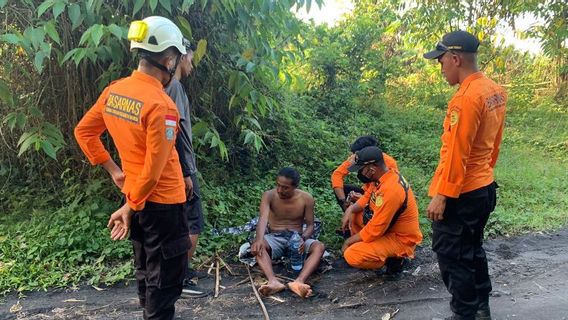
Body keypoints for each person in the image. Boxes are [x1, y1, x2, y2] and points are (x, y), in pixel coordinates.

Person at [74, 16, 190, 319]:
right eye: (177, 58)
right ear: (168, 59)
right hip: (162, 203)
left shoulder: (115, 91)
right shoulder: (162, 106)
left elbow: (84, 132)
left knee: (146, 272)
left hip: (136, 198)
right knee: (164, 281)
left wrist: (115, 172)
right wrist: (130, 206)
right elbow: (154, 169)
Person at [423, 30, 506, 320]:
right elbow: (494, 143)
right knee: (472, 248)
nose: (441, 67)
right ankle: (481, 307)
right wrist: (486, 173)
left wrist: (443, 195)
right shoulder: (493, 90)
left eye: (441, 61)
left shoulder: (466, 98)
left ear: (455, 58)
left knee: (452, 255)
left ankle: (465, 313)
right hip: (483, 186)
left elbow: (458, 152)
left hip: (462, 193)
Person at [164, 43, 208, 297]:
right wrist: (186, 172)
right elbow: (176, 131)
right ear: (179, 59)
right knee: (193, 222)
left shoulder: (160, 86)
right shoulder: (175, 87)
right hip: (180, 167)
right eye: (190, 60)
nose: (191, 65)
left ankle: (173, 272)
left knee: (177, 222)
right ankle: (179, 276)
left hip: (167, 165)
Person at [340, 146, 422, 274]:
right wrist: (350, 209)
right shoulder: (383, 177)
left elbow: (375, 230)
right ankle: (373, 250)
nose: (359, 174)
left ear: (371, 169)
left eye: (361, 170)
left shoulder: (391, 190)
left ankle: (393, 260)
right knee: (355, 215)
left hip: (401, 239)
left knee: (352, 254)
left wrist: (348, 242)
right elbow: (367, 196)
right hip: (386, 229)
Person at [250, 167, 325, 298]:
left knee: (319, 247)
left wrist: (303, 237)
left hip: (296, 238)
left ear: (295, 187)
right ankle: (273, 282)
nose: (280, 190)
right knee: (259, 246)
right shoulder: (269, 196)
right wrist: (259, 239)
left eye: (285, 188)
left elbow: (311, 225)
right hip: (275, 237)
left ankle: (299, 282)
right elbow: (262, 219)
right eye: (278, 185)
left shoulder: (306, 198)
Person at [331, 135, 398, 213]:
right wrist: (343, 201)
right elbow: (337, 174)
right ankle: (349, 215)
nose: (354, 156)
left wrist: (362, 199)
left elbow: (377, 187)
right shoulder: (357, 158)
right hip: (367, 192)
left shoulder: (387, 163)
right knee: (342, 189)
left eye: (356, 154)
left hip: (379, 196)